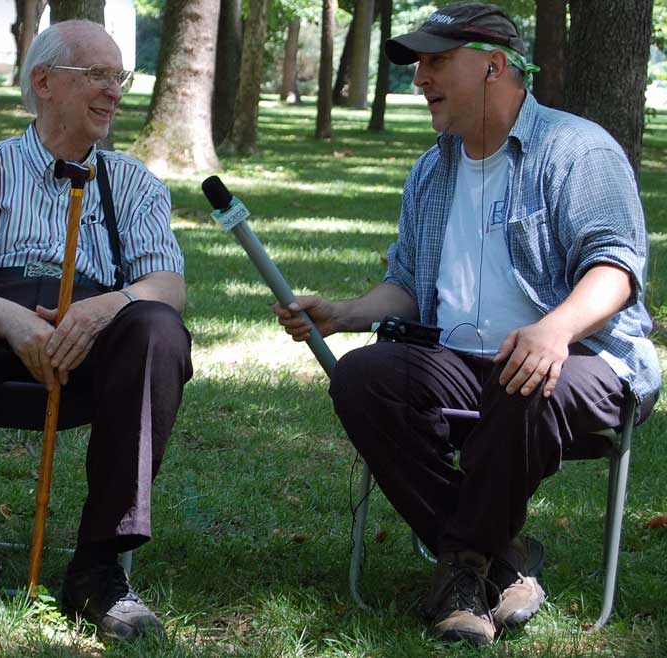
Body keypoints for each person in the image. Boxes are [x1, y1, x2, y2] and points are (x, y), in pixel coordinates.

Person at [273, 1, 661, 647]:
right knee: (362, 379)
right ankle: (504, 560)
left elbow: (615, 269)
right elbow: (408, 284)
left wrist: (553, 330)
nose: (420, 78)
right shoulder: (432, 170)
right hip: (465, 364)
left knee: (525, 373)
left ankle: (461, 573)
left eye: (436, 61)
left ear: (493, 66)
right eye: (418, 64)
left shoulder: (576, 149)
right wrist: (345, 314)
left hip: (587, 361)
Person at [0, 20, 192, 641]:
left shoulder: (133, 183)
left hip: (96, 348)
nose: (114, 92)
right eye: (96, 75)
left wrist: (103, 310)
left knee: (157, 325)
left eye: (117, 77)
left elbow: (168, 285)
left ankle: (99, 567)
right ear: (44, 81)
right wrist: (10, 318)